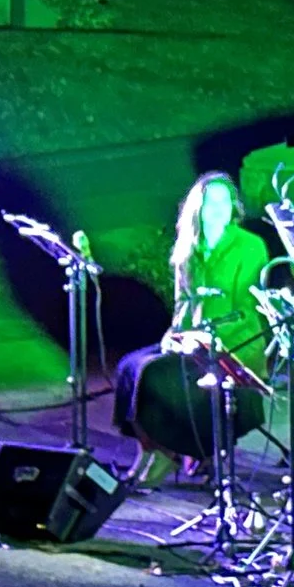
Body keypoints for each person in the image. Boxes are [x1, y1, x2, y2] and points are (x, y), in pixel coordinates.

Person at [115, 172, 272, 484]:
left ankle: (168, 454)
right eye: (210, 202)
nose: (218, 208)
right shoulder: (189, 246)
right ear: (197, 207)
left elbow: (244, 308)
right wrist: (173, 336)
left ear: (233, 206)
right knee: (131, 366)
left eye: (224, 201)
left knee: (158, 375)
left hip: (235, 342)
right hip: (193, 339)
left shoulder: (250, 246)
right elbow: (183, 302)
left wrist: (203, 340)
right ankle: (147, 450)